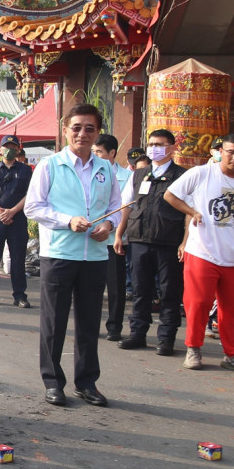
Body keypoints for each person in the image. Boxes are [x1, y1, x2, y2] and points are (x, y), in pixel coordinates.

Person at [24, 103, 121, 408]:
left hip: (94, 255)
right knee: (54, 322)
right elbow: (34, 208)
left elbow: (115, 209)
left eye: (90, 128)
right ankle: (53, 382)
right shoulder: (50, 166)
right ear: (65, 130)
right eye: (76, 127)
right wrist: (69, 220)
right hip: (59, 254)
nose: (83, 133)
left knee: (90, 321)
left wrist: (108, 224)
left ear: (98, 132)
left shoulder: (106, 168)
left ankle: (87, 381)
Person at [165, 134, 234, 375]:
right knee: (197, 303)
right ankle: (193, 349)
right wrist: (192, 212)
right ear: (220, 150)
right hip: (202, 251)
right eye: (230, 151)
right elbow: (170, 195)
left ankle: (233, 354)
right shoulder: (201, 173)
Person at [115, 129, 187, 356]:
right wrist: (119, 234)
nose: (154, 148)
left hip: (169, 241)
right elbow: (126, 206)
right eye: (151, 144)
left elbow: (189, 214)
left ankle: (166, 339)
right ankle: (138, 334)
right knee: (140, 290)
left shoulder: (183, 176)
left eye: (160, 144)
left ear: (172, 148)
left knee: (169, 291)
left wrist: (185, 242)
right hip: (138, 239)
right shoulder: (139, 174)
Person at [0, 134, 33, 308]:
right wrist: (0, 211)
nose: (9, 149)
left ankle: (19, 295)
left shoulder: (25, 170)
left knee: (17, 259)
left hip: (17, 218)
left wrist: (13, 211)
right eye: (6, 146)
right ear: (0, 149)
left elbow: (30, 194)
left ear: (18, 149)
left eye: (12, 146)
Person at [93, 134, 130, 341]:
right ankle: (91, 323)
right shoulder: (89, 172)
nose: (95, 155)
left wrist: (115, 232)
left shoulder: (127, 176)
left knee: (116, 287)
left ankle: (114, 326)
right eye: (94, 152)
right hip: (91, 238)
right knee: (92, 287)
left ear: (112, 153)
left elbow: (123, 208)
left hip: (114, 239)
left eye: (99, 152)